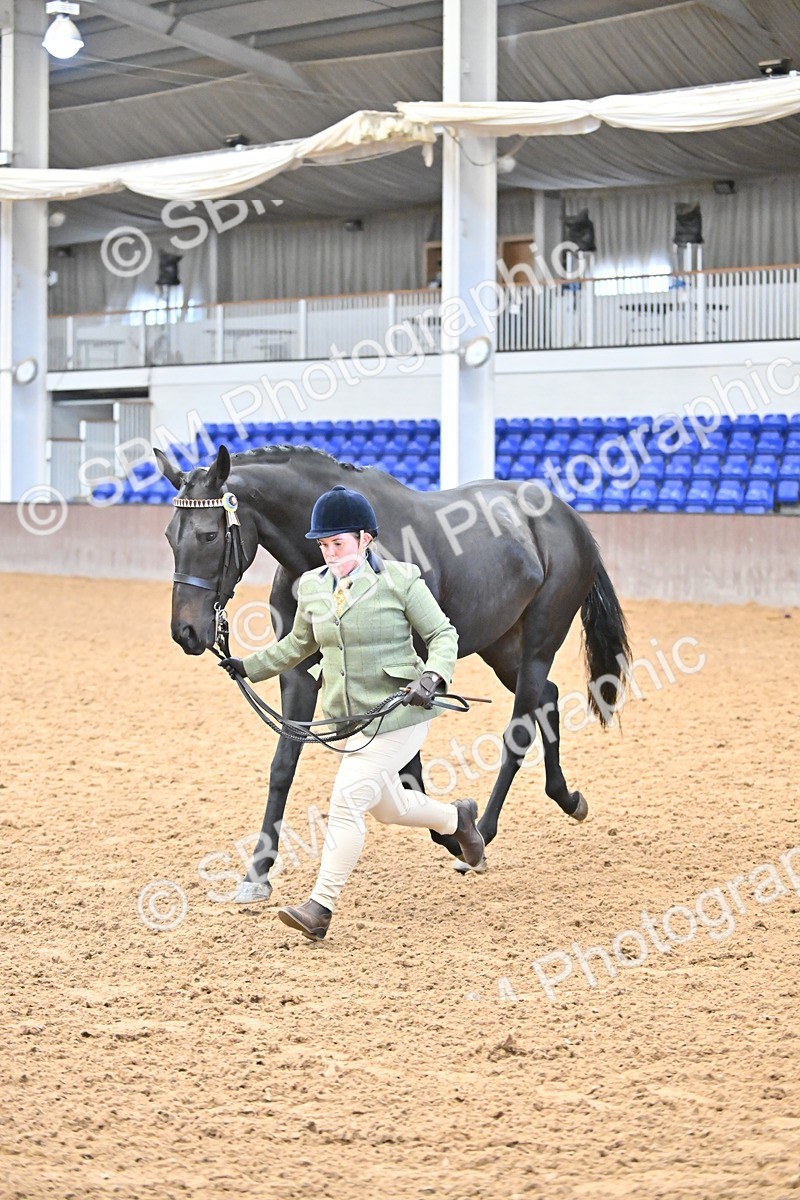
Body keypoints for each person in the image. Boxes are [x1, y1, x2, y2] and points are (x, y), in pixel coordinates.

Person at [219, 483, 484, 941]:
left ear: (365, 539)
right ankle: (457, 821)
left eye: (338, 543)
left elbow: (443, 635)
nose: (329, 553)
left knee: (345, 801)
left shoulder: (401, 580)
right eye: (323, 545)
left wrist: (432, 677)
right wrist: (249, 666)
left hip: (400, 714)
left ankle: (320, 907)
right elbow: (298, 645)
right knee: (390, 808)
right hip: (353, 721)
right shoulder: (312, 587)